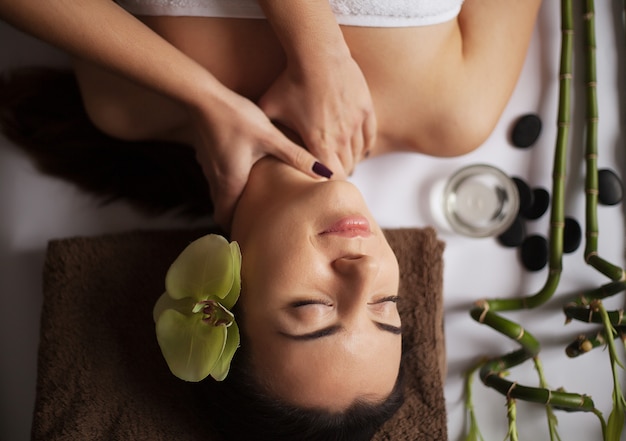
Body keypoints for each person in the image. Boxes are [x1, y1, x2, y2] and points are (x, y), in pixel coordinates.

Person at [0, 1, 542, 439]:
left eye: (312, 308)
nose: (362, 270)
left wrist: (211, 95)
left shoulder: (127, 101)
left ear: (216, 295)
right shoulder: (453, 113)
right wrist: (316, 50)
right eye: (385, 305)